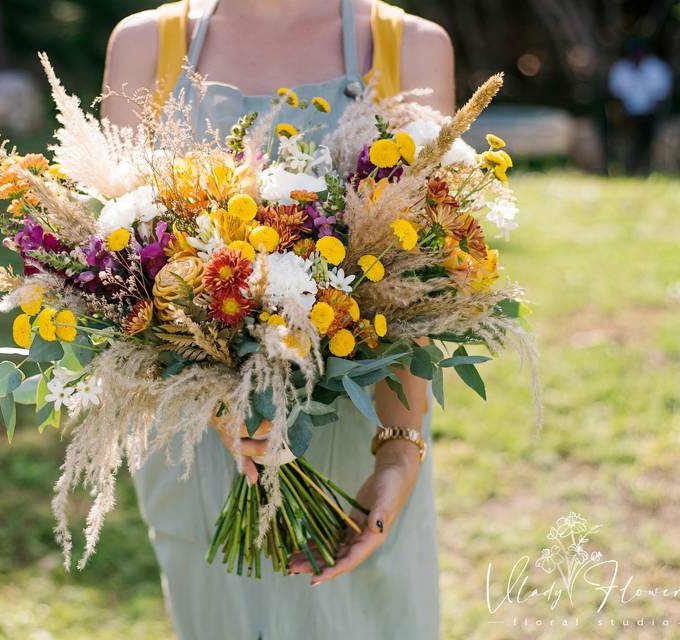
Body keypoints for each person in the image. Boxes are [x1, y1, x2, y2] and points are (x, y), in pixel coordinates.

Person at [101, 1, 453, 637]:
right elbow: (121, 266)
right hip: (199, 449)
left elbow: (423, 275)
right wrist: (223, 406)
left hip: (358, 433)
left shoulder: (409, 47)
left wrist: (398, 452)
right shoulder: (147, 46)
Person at [607, 38, 673, 175]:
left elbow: (661, 97)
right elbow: (616, 97)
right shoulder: (621, 69)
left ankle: (644, 167)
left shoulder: (657, 69)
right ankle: (622, 167)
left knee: (646, 133)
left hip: (651, 113)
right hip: (627, 114)